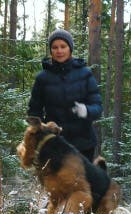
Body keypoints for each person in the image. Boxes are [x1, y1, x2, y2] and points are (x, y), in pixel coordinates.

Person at [27, 29, 102, 162]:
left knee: (81, 183)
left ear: (70, 48)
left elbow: (97, 107)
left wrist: (86, 110)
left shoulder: (85, 74)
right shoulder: (42, 78)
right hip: (54, 143)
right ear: (51, 50)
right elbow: (34, 110)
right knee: (55, 182)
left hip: (83, 143)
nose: (59, 51)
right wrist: (39, 130)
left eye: (63, 46)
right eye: (55, 47)